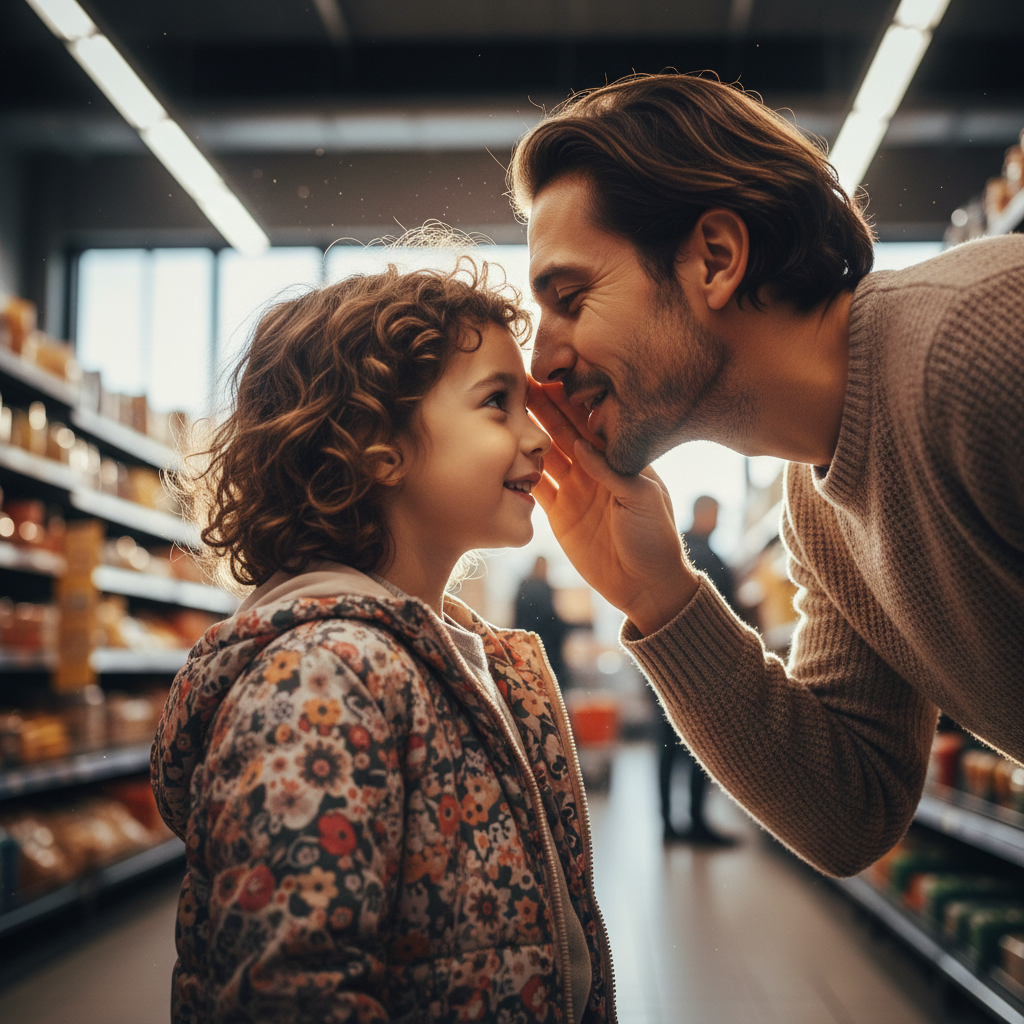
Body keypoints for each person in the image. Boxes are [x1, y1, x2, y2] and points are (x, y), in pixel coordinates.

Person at [509, 72, 1024, 878]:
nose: (542, 361)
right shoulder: (817, 513)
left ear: (715, 258)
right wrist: (661, 598)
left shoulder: (979, 339)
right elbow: (852, 813)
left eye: (570, 296)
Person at [150, 261, 614, 1022]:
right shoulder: (320, 679)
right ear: (376, 445)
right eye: (498, 403)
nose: (537, 437)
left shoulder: (457, 658)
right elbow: (289, 994)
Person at [658, 496, 737, 845]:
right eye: (716, 514)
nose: (718, 521)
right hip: (699, 664)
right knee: (700, 745)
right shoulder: (704, 554)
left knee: (667, 747)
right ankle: (695, 822)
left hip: (667, 663)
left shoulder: (673, 546)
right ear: (703, 513)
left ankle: (670, 825)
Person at [514, 555, 571, 684]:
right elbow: (549, 618)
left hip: (525, 641)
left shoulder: (524, 586)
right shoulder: (544, 588)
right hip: (545, 642)